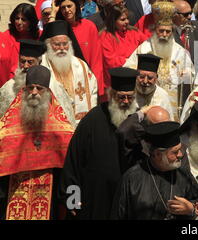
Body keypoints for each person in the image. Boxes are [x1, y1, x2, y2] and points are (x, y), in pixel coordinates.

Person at [59, 67, 139, 219]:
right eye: (121, 97)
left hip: (127, 200)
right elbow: (74, 161)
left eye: (130, 97)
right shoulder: (92, 120)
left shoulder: (138, 122)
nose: (126, 102)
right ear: (111, 95)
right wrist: (71, 199)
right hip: (95, 197)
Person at [0, 65, 74, 220]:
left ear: (47, 92)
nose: (34, 92)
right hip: (13, 188)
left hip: (49, 188)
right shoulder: (10, 119)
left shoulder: (60, 124)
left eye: (39, 88)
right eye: (30, 88)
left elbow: (69, 154)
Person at [111, 121, 198, 220]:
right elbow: (118, 215)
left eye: (180, 149)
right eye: (174, 152)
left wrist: (191, 208)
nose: (180, 155)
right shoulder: (131, 179)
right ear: (157, 154)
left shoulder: (183, 174)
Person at [124, 2, 194, 121]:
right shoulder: (143, 49)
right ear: (155, 29)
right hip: (145, 101)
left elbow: (191, 78)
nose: (164, 35)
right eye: (161, 31)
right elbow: (128, 72)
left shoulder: (180, 52)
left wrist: (187, 76)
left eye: (168, 31)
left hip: (171, 105)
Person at [40, 20, 97, 126]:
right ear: (48, 45)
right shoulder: (42, 65)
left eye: (65, 44)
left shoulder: (80, 66)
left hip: (81, 123)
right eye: (57, 44)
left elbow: (93, 90)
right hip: (54, 125)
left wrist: (90, 116)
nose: (62, 48)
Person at [48, 0, 104, 96]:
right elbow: (45, 40)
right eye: (63, 7)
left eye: (69, 6)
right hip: (63, 82)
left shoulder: (89, 26)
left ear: (76, 6)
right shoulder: (59, 28)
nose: (67, 10)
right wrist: (53, 13)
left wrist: (97, 86)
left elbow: (96, 59)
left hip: (85, 80)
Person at [100, 5, 147, 91]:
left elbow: (147, 47)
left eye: (127, 18)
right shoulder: (105, 36)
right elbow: (111, 61)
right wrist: (131, 61)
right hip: (116, 82)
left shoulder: (135, 32)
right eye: (122, 20)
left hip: (135, 79)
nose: (127, 22)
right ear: (113, 21)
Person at [0, 40, 47, 118]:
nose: (25, 66)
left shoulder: (50, 86)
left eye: (30, 62)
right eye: (22, 61)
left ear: (39, 62)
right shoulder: (8, 87)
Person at [0, 3, 41, 87]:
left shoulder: (39, 36)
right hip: (10, 83)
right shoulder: (5, 37)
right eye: (17, 18)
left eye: (23, 19)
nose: (19, 22)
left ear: (31, 21)